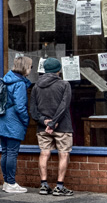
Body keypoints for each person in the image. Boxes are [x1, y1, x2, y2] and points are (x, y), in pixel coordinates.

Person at [0, 55, 33, 193]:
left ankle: (7, 182)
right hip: (13, 121)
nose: (31, 69)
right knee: (12, 152)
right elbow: (20, 107)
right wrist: (26, 121)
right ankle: (11, 183)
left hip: (1, 119)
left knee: (5, 152)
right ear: (25, 67)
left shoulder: (7, 79)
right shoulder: (19, 83)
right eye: (30, 66)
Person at [31, 57, 74, 196]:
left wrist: (45, 122)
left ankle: (44, 185)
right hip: (62, 126)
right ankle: (59, 186)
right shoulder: (64, 84)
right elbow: (64, 106)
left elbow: (33, 110)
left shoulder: (36, 86)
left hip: (43, 127)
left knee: (44, 153)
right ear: (59, 70)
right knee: (64, 154)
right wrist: (53, 122)